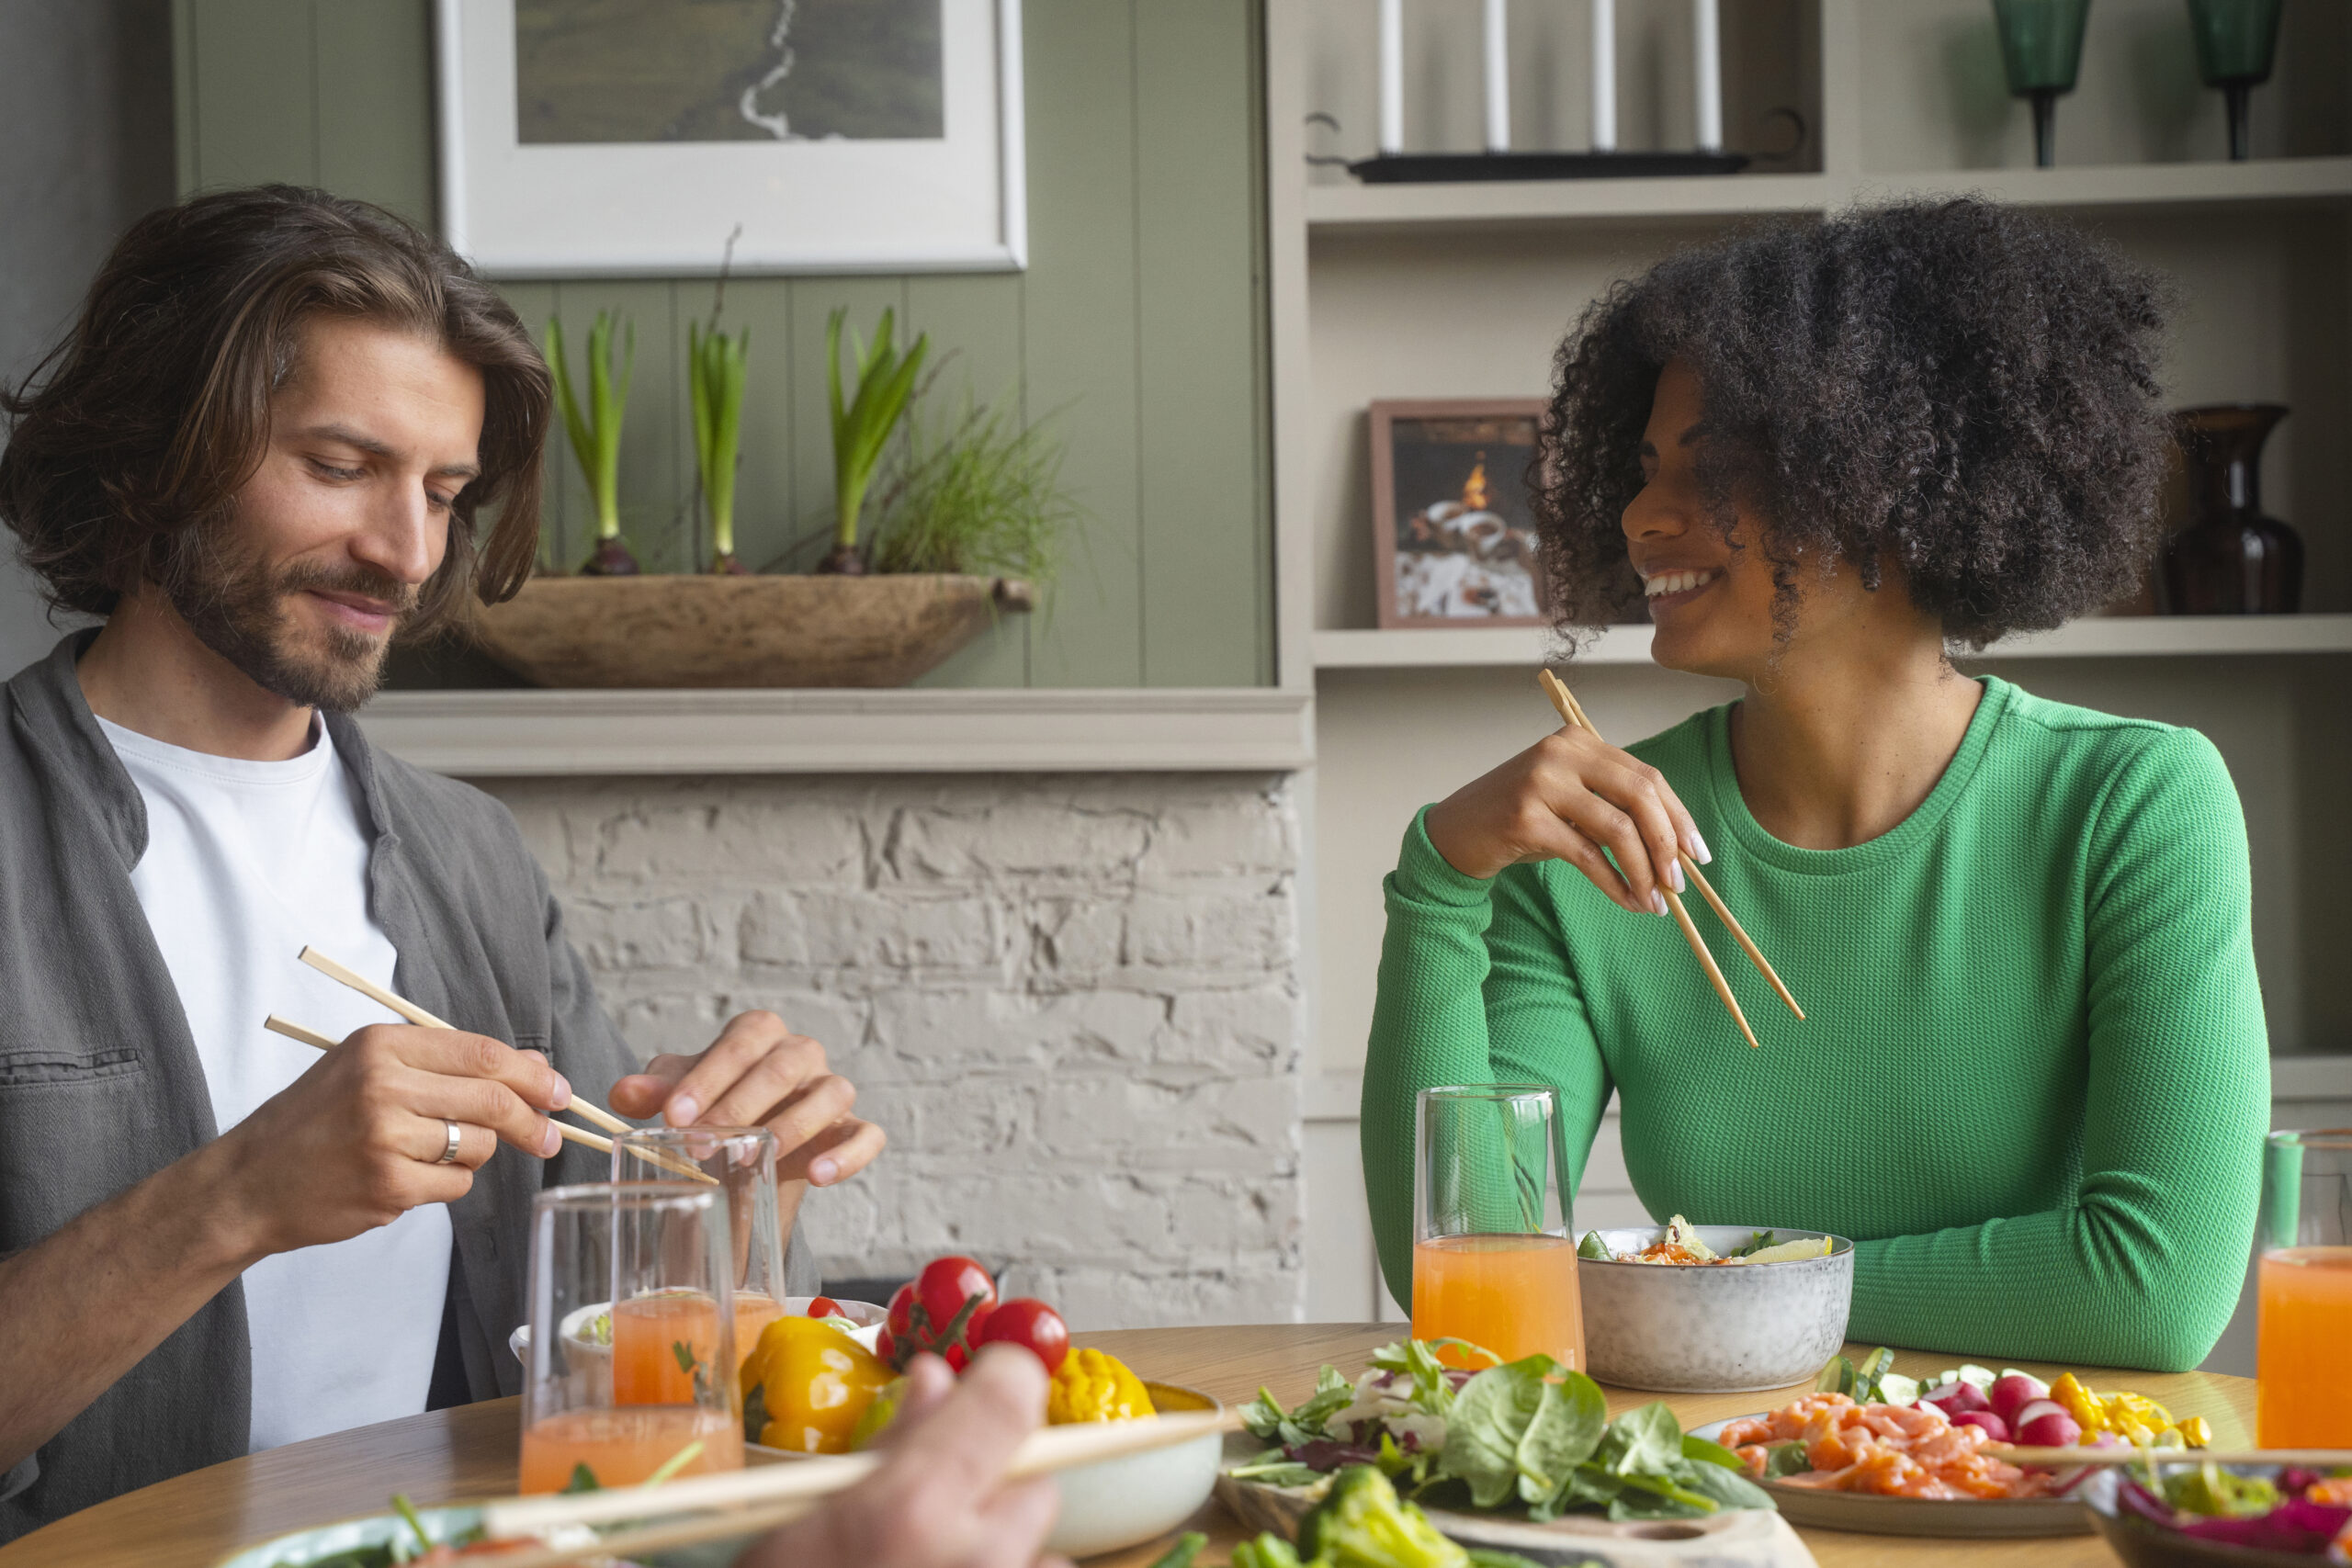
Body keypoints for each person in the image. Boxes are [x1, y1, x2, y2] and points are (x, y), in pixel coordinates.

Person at [0, 186, 884, 1541]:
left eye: (444, 491)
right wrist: (234, 1198)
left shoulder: (469, 857)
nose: (406, 552)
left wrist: (731, 1186)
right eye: (342, 466)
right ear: (156, 448)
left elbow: (636, 1353)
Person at [1361, 199, 2268, 1373]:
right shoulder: (1603, 837)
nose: (1642, 516)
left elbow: (2152, 1290)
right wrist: (1440, 880)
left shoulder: (2134, 805)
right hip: (1707, 1505)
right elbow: (1472, 1285)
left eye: (1716, 468)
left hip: (2004, 1503)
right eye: (1640, 471)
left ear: (1886, 484)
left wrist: (1721, 1290)